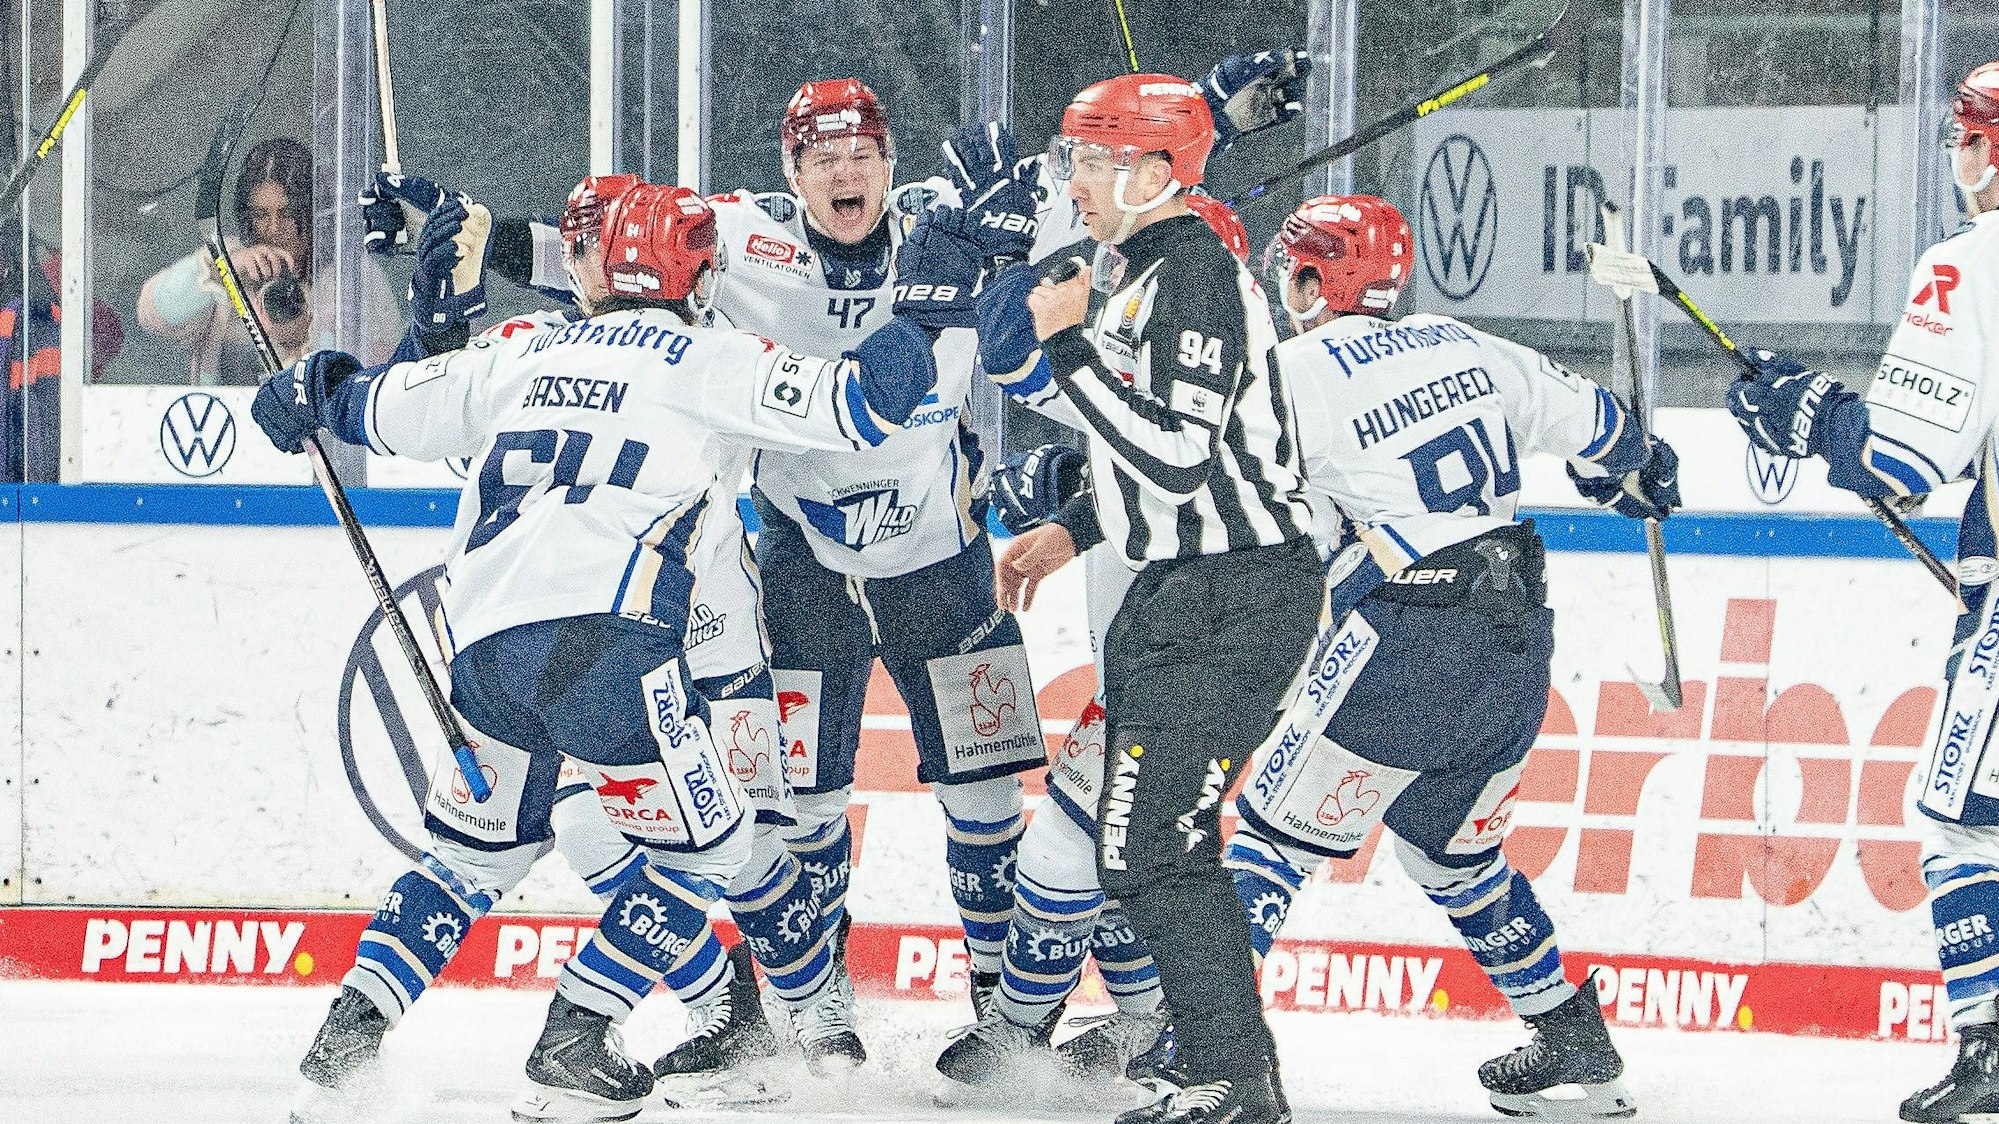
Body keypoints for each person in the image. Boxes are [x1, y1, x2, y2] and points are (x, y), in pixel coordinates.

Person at [253, 179, 985, 1123]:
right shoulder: (711, 357)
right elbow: (864, 403)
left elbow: (367, 407)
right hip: (613, 645)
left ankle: (344, 1043)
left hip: (485, 652)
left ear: (596, 267)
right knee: (715, 850)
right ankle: (579, 1034)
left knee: (469, 862)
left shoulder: (521, 348)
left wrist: (308, 386)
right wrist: (927, 303)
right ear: (698, 274)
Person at [964, 73, 1325, 1124]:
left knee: (1154, 846)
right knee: (1142, 848)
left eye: (1092, 159)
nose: (1072, 180)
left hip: (1236, 596)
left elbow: (1175, 455)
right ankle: (1223, 1067)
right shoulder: (1144, 271)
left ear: (1156, 170)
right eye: (1073, 157)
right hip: (1183, 592)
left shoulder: (1194, 276)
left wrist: (1065, 344)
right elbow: (1158, 459)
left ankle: (1233, 1077)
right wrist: (1073, 527)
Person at [1725, 61, 1999, 1124]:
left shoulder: (1970, 263)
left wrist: (1811, 414)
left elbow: (1900, 461)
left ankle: (1990, 1048)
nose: (1958, 157)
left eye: (1965, 137)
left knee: (1964, 830)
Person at [138, 137, 397, 384]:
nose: (274, 228)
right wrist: (220, 272)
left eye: (288, 213)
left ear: (313, 212)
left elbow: (380, 375)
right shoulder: (230, 259)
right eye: (261, 214)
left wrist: (305, 337)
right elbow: (153, 317)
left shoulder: (352, 275)